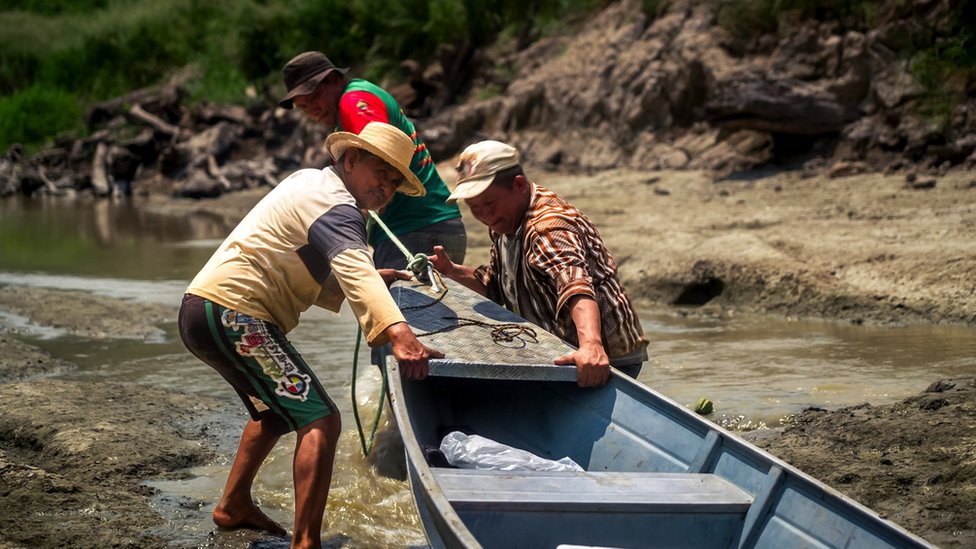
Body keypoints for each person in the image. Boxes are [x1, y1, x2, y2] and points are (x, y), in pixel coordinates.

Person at [178, 122, 442, 549]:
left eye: (395, 182)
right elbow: (353, 266)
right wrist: (400, 335)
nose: (386, 189)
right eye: (382, 173)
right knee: (320, 418)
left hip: (205, 310)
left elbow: (312, 263)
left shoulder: (310, 184)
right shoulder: (336, 204)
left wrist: (373, 277)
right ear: (351, 159)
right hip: (235, 315)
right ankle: (306, 542)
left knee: (276, 413)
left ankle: (233, 504)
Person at [428, 140, 648, 388]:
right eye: (474, 207)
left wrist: (591, 346)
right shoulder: (505, 221)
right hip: (560, 343)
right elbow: (497, 284)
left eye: (489, 204)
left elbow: (576, 286)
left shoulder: (548, 228)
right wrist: (452, 271)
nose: (484, 216)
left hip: (607, 356)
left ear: (519, 185)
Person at [278, 50, 467, 270]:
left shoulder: (354, 103)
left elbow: (378, 158)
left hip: (415, 230)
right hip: (437, 227)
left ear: (334, 80)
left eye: (313, 98)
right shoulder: (360, 96)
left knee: (384, 303)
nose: (312, 110)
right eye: (303, 107)